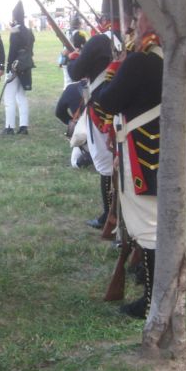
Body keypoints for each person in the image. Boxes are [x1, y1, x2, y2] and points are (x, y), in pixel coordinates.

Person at [96, 0, 163, 319]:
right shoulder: (169, 55)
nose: (135, 20)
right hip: (160, 149)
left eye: (140, 14)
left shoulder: (140, 60)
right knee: (153, 224)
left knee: (147, 227)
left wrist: (113, 71)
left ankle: (152, 300)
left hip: (143, 152)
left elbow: (107, 101)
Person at [67, 34, 120, 229]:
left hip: (100, 109)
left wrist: (72, 58)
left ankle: (110, 215)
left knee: (104, 162)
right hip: (120, 107)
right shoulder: (124, 40)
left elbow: (75, 72)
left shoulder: (99, 41)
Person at [1, 1, 34, 135]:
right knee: (21, 96)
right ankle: (23, 126)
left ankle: (9, 127)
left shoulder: (15, 31)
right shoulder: (29, 32)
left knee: (9, 97)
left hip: (15, 66)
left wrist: (9, 69)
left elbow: (12, 51)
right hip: (26, 65)